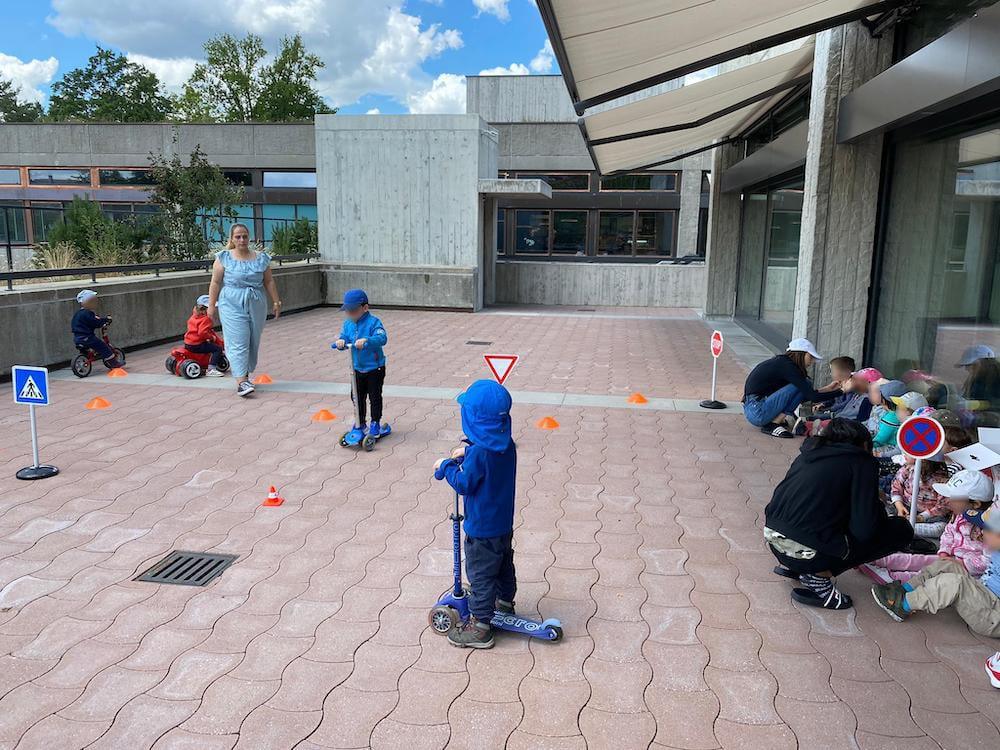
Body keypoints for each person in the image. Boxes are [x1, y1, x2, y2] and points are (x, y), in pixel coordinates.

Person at [763, 418, 914, 609]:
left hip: (775, 542)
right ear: (864, 444)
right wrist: (877, 505)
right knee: (901, 530)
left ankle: (798, 567)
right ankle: (818, 577)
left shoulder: (808, 454)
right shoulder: (861, 462)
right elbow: (865, 529)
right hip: (808, 554)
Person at [433, 379, 518, 648]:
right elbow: (486, 457)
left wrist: (446, 466)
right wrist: (468, 450)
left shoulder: (480, 454)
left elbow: (464, 483)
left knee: (480, 573)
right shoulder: (506, 446)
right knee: (503, 563)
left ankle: (480, 626)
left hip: (481, 527)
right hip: (503, 522)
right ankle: (504, 602)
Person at [871, 503, 1000, 638]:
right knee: (947, 565)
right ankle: (906, 589)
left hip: (993, 617)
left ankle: (902, 605)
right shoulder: (995, 549)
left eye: (988, 530)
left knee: (956, 583)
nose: (983, 532)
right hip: (985, 595)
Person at [860, 469, 994, 583]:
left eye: (954, 498)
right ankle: (879, 560)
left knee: (929, 576)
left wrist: (961, 564)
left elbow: (988, 560)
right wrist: (944, 551)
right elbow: (948, 533)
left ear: (975, 504)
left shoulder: (990, 529)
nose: (948, 501)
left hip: (966, 572)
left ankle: (893, 578)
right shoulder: (960, 514)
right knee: (918, 560)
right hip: (949, 558)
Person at [206, 223, 281, 397]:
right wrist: (211, 306)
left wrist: (276, 301)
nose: (242, 240)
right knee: (237, 340)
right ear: (232, 239)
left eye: (245, 236)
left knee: (251, 340)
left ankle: (245, 376)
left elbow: (269, 281)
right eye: (238, 236)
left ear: (249, 237)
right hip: (231, 302)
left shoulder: (261, 258)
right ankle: (241, 382)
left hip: (256, 303)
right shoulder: (224, 257)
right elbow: (215, 282)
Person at [742, 338, 842, 438]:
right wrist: (842, 391)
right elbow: (813, 397)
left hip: (755, 410)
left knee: (803, 384)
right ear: (802, 353)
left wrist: (828, 389)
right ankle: (772, 425)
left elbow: (804, 396)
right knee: (805, 383)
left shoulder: (783, 363)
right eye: (810, 357)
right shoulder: (787, 366)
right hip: (757, 411)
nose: (811, 362)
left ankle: (775, 422)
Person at [333, 289, 388, 438]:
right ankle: (360, 421)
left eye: (353, 310)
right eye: (347, 311)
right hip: (356, 368)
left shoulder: (374, 322)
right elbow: (344, 337)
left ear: (365, 308)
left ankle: (375, 422)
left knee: (374, 396)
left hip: (374, 368)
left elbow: (382, 338)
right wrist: (341, 342)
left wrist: (367, 341)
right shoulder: (348, 324)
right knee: (356, 396)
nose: (350, 314)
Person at [888, 455, 950, 537]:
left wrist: (921, 517)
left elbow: (943, 505)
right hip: (905, 507)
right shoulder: (907, 469)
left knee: (941, 528)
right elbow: (896, 487)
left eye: (910, 454)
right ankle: (901, 526)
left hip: (930, 515)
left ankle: (905, 528)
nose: (904, 455)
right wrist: (899, 506)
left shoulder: (940, 478)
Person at [71, 289, 121, 367]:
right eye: (93, 301)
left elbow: (84, 322)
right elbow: (95, 322)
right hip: (87, 337)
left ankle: (86, 357)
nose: (95, 303)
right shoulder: (88, 313)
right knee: (103, 347)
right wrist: (105, 320)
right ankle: (114, 363)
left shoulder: (78, 314)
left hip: (77, 338)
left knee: (88, 350)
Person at [184, 294, 225, 377]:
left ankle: (205, 362)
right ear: (206, 309)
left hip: (188, 343)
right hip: (197, 345)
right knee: (217, 349)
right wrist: (211, 337)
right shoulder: (206, 319)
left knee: (207, 346)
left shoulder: (193, 317)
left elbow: (194, 330)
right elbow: (202, 333)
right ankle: (211, 369)